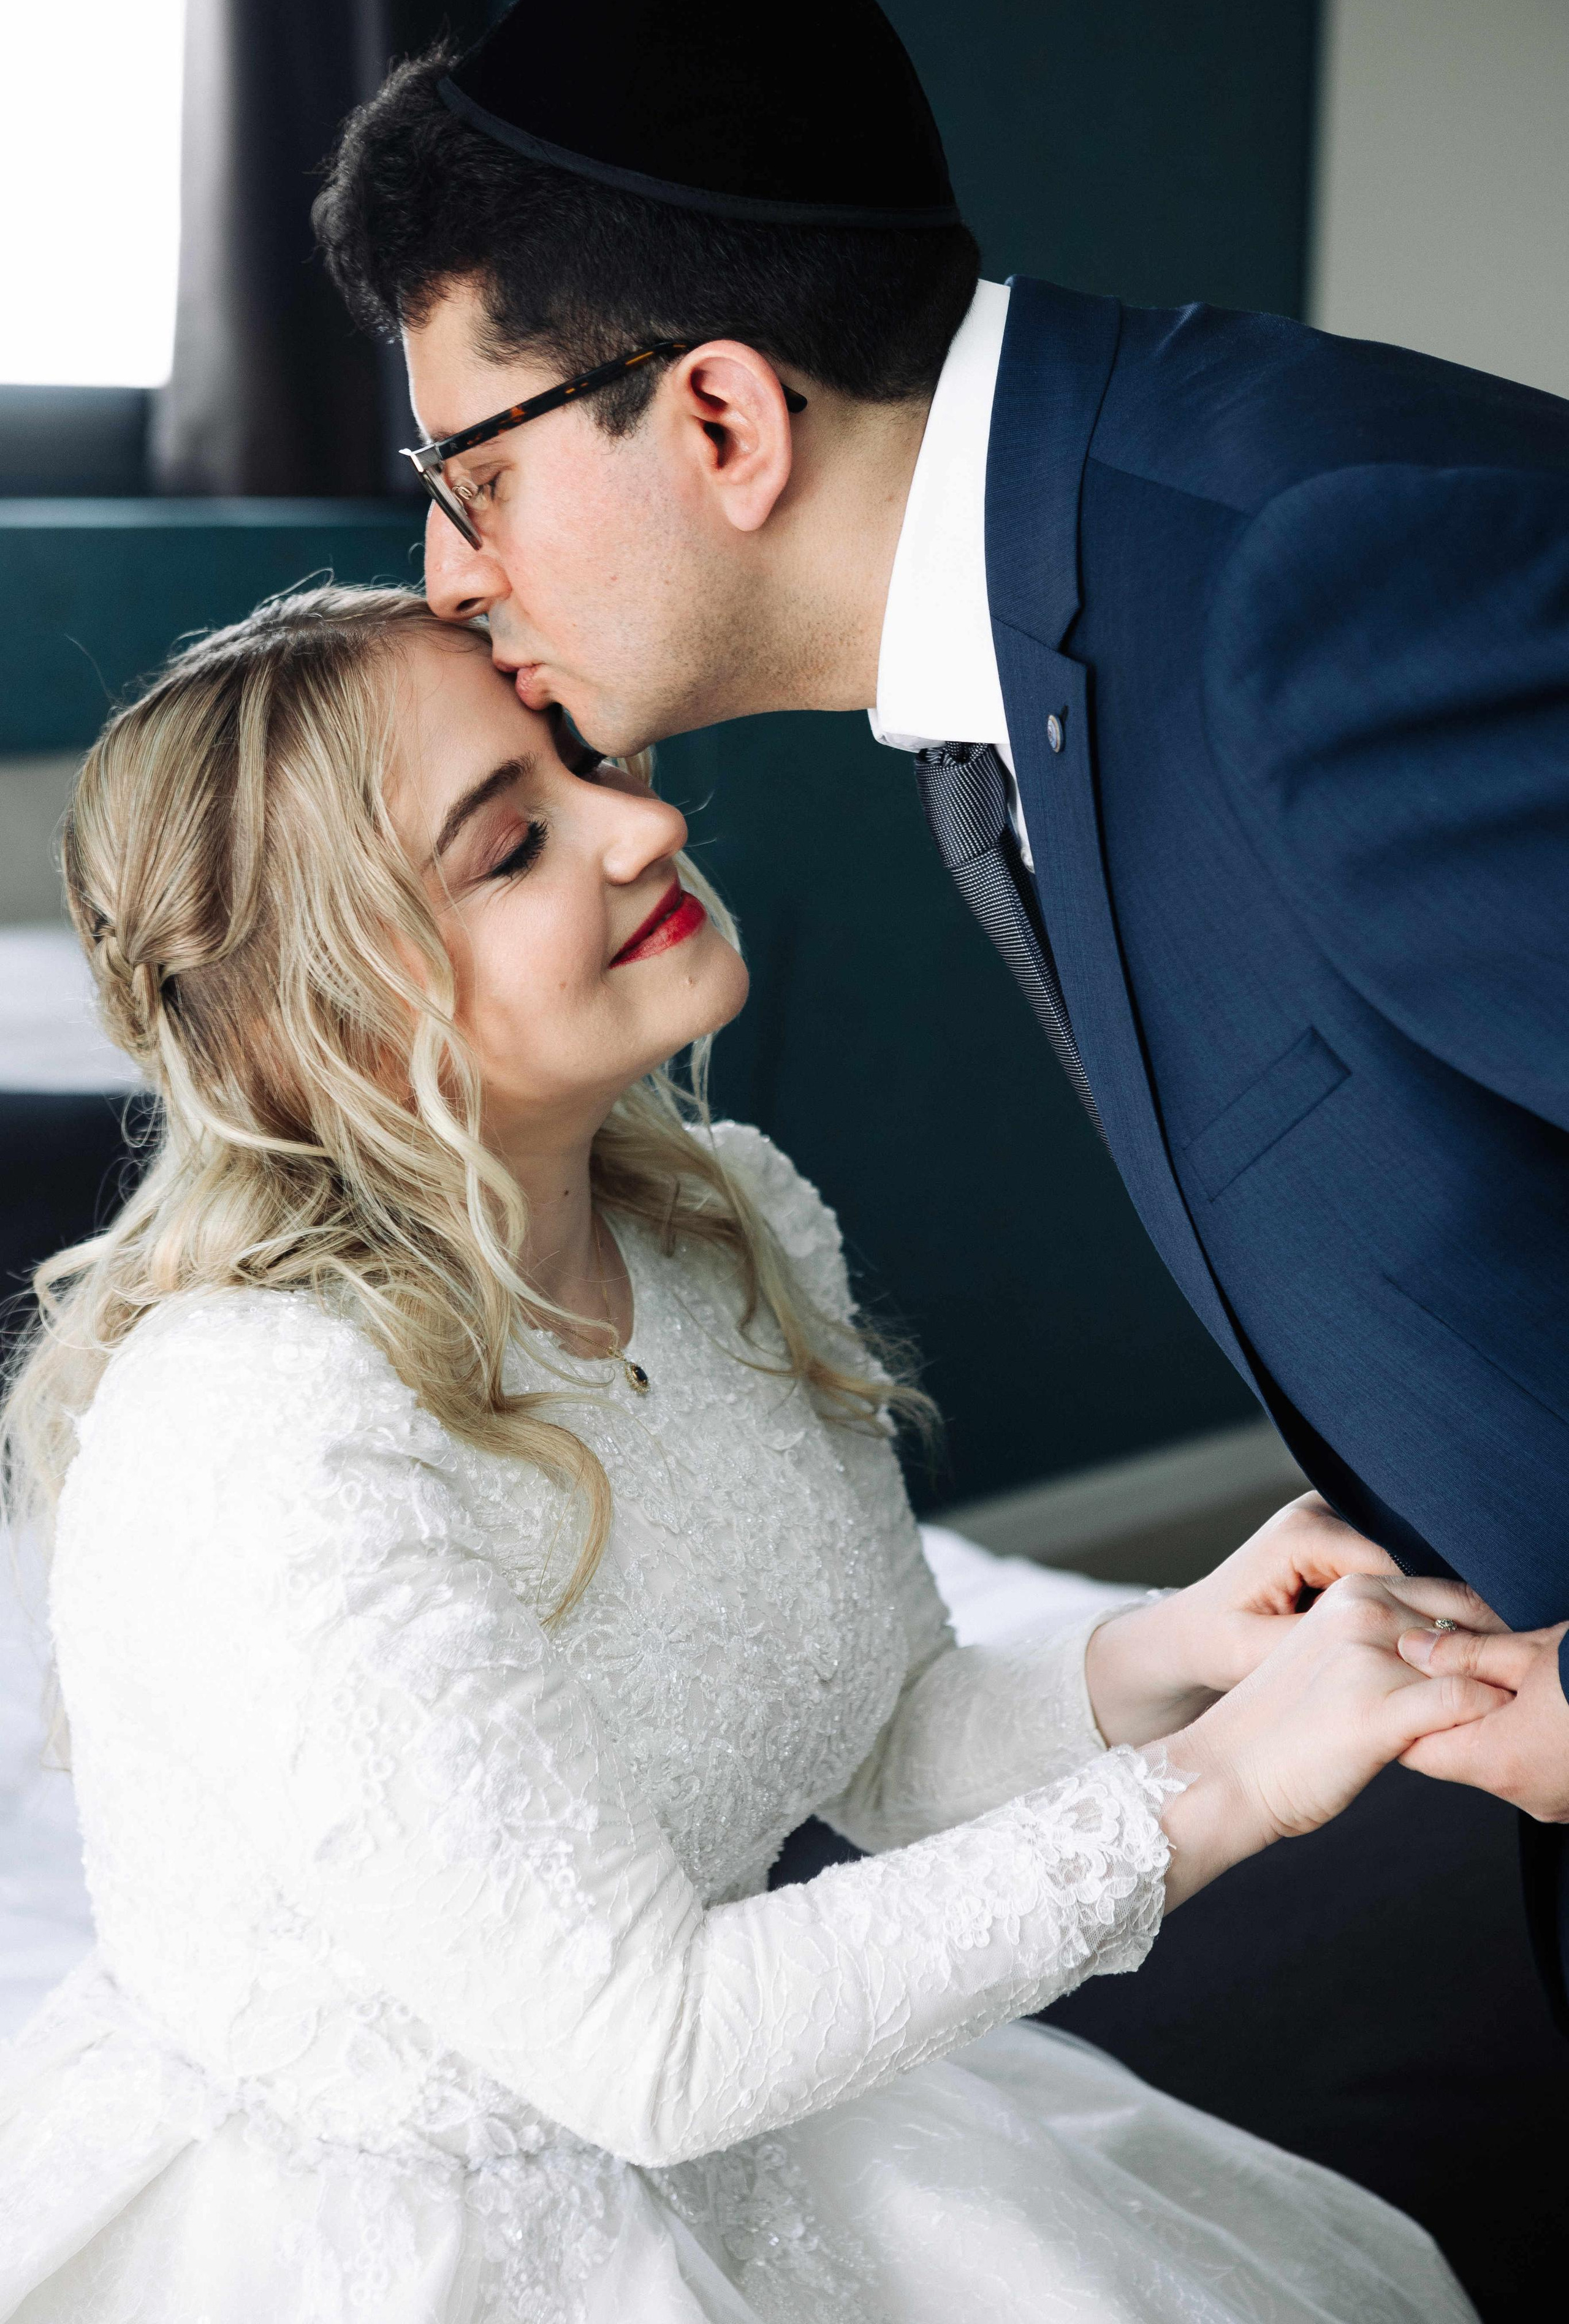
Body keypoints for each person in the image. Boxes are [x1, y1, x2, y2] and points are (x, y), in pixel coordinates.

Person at [0, 587, 1498, 2320]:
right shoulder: (263, 1429)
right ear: (322, 1024)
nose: (646, 821)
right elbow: (648, 2047)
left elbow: (878, 1748)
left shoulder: (730, 1226)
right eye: (514, 845)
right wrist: (1225, 1790)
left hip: (754, 2130)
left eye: (585, 762)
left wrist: (1178, 1653)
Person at [311, 0, 1569, 1997]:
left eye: (472, 472)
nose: (453, 568)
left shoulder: (1320, 594)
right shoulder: (1036, 628)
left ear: (721, 415)